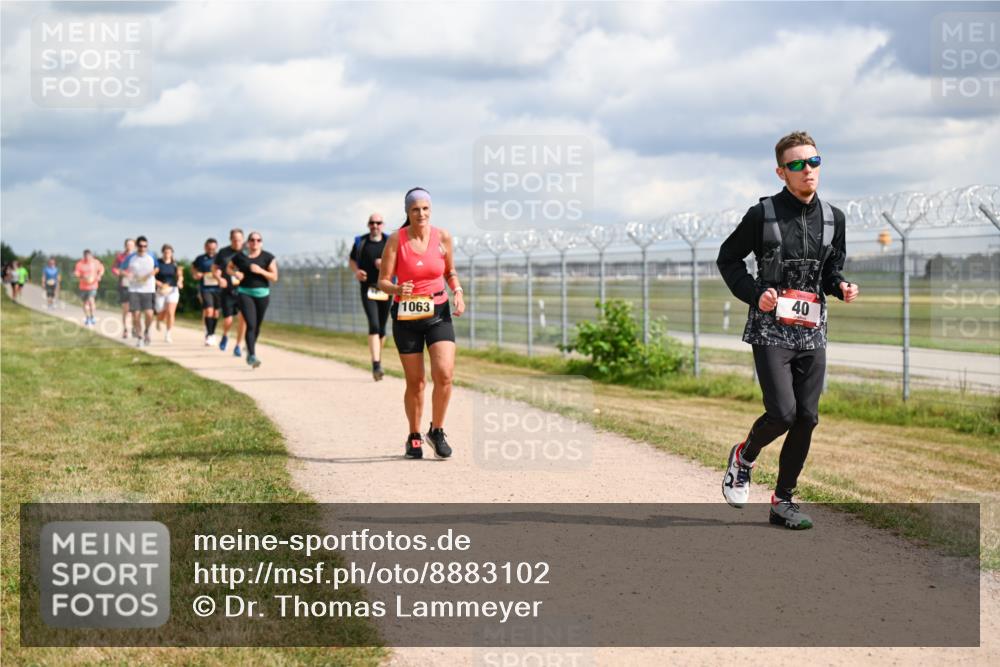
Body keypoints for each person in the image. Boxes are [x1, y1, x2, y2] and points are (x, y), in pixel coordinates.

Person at [716, 131, 859, 530]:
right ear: (781, 172)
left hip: (812, 330)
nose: (807, 170)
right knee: (782, 412)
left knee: (807, 417)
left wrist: (841, 285)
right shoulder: (762, 215)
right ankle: (744, 456)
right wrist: (754, 293)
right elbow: (728, 259)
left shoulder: (834, 218)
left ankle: (783, 500)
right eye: (797, 164)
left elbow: (831, 270)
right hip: (770, 328)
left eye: (813, 162)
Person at [377, 187, 465, 460]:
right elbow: (382, 281)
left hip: (438, 311)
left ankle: (436, 431)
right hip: (406, 316)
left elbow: (450, 271)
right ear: (407, 212)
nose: (421, 213)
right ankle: (414, 436)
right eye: (415, 209)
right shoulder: (395, 240)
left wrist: (458, 292)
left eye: (425, 208)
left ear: (430, 209)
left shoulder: (443, 237)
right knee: (416, 382)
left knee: (445, 374)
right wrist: (396, 289)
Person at [350, 213, 392, 381]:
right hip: (368, 289)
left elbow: (399, 263)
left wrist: (385, 264)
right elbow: (352, 261)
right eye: (372, 223)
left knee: (382, 328)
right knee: (373, 325)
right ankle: (375, 364)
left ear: (383, 224)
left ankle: (378, 359)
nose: (375, 225)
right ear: (368, 224)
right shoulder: (361, 242)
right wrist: (357, 272)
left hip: (386, 288)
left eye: (378, 223)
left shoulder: (390, 242)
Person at [227, 231, 277, 368]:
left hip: (262, 294)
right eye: (252, 240)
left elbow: (274, 277)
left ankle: (249, 347)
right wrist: (235, 273)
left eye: (258, 240)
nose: (255, 242)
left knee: (257, 326)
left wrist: (261, 271)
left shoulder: (268, 257)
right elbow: (228, 268)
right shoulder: (240, 257)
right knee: (251, 324)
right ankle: (252, 356)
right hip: (244, 293)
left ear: (261, 242)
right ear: (248, 242)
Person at [212, 228, 247, 358]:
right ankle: (225, 335)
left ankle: (238, 345)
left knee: (243, 319)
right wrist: (219, 279)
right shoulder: (223, 253)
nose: (237, 242)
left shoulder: (248, 252)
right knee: (228, 320)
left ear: (243, 240)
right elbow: (215, 268)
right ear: (230, 239)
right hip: (227, 290)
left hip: (244, 291)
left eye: (239, 240)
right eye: (234, 239)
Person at [126, 236, 158, 347]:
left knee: (149, 314)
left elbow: (157, 268)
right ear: (137, 246)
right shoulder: (131, 257)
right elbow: (121, 269)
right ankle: (139, 337)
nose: (143, 248)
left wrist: (148, 275)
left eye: (145, 246)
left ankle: (147, 331)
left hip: (148, 289)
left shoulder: (152, 256)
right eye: (140, 246)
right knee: (136, 314)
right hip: (134, 289)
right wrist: (128, 275)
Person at [191, 238, 221, 346]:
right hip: (206, 288)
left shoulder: (220, 258)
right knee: (209, 311)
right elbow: (193, 267)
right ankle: (209, 334)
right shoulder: (200, 258)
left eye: (213, 248)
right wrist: (196, 274)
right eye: (209, 248)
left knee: (216, 313)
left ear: (216, 247)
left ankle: (212, 332)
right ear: (205, 247)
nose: (211, 250)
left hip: (218, 288)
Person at [154, 244, 183, 343]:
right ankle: (158, 320)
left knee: (170, 312)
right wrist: (158, 283)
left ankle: (168, 333)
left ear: (172, 253)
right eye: (165, 252)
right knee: (161, 312)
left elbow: (179, 275)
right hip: (161, 290)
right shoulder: (157, 263)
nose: (167, 254)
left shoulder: (175, 264)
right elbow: (151, 276)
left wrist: (180, 281)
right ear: (163, 253)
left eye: (169, 252)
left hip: (173, 290)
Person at [112, 239, 136, 339]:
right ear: (125, 246)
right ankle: (126, 329)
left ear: (134, 246)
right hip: (124, 284)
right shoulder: (120, 257)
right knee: (126, 308)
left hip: (136, 284)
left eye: (131, 244)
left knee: (135, 309)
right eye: (127, 244)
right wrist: (120, 273)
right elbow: (114, 268)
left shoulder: (138, 257)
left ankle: (135, 328)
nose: (129, 246)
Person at [73, 250, 105, 326]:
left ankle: (92, 316)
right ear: (84, 256)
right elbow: (76, 273)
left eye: (89, 256)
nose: (88, 258)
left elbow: (101, 269)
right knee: (85, 303)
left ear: (91, 256)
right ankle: (87, 318)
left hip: (93, 285)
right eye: (86, 256)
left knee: (91, 300)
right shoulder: (80, 264)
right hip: (83, 286)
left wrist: (99, 275)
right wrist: (82, 276)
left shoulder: (96, 262)